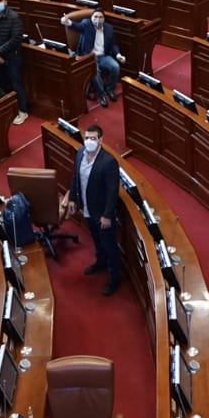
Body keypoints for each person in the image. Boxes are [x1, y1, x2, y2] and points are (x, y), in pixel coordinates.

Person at [62, 124, 122, 295]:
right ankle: (100, 263)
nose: (89, 141)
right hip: (87, 208)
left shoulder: (109, 162)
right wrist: (73, 198)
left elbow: (112, 191)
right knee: (96, 240)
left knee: (109, 245)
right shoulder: (80, 152)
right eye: (87, 138)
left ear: (100, 140)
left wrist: (107, 215)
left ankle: (115, 278)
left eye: (93, 138)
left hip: (102, 213)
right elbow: (75, 177)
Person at [61, 7, 126, 108]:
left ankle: (110, 90)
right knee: (95, 71)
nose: (97, 19)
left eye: (100, 17)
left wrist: (118, 55)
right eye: (95, 17)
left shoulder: (109, 28)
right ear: (91, 18)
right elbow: (76, 26)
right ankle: (102, 95)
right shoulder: (86, 24)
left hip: (103, 56)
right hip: (89, 57)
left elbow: (113, 44)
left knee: (115, 67)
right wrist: (67, 21)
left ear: (104, 19)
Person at [0, 0, 29, 125]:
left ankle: (22, 111)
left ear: (5, 2)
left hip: (12, 56)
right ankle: (5, 110)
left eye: (0, 1)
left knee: (16, 83)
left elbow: (15, 39)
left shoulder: (14, 17)